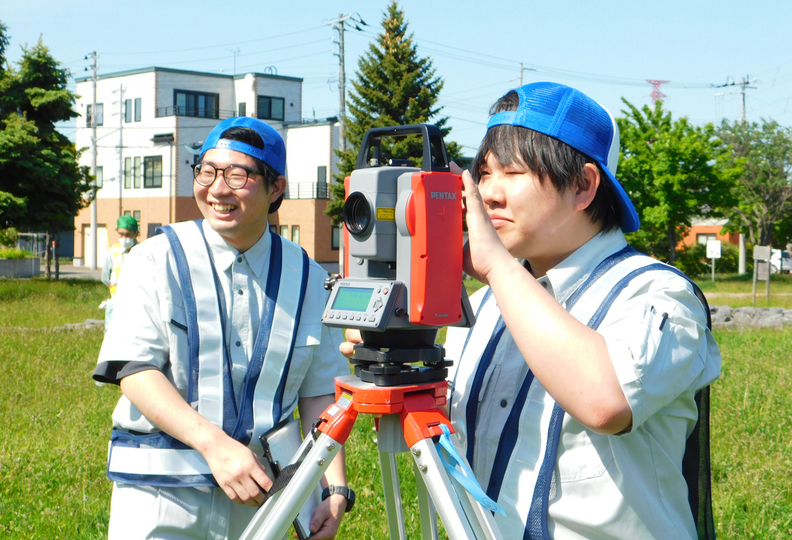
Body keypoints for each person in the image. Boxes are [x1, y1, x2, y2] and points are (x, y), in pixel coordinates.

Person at [344, 82, 720, 539]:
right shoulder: (481, 306)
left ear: (583, 185)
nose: (489, 194)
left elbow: (606, 403)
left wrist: (497, 267)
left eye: (513, 173)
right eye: (483, 174)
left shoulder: (657, 294)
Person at [93, 116, 352, 540]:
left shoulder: (307, 276)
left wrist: (332, 487)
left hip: (259, 503)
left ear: (277, 189)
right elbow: (135, 371)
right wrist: (214, 445)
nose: (217, 189)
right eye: (207, 172)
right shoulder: (156, 259)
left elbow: (319, 392)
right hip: (162, 497)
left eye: (238, 175)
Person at [100, 215, 139, 327]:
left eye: (127, 235)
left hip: (137, 301)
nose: (124, 238)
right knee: (111, 332)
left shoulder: (143, 251)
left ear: (136, 233)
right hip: (116, 300)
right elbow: (105, 278)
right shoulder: (112, 252)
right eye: (121, 234)